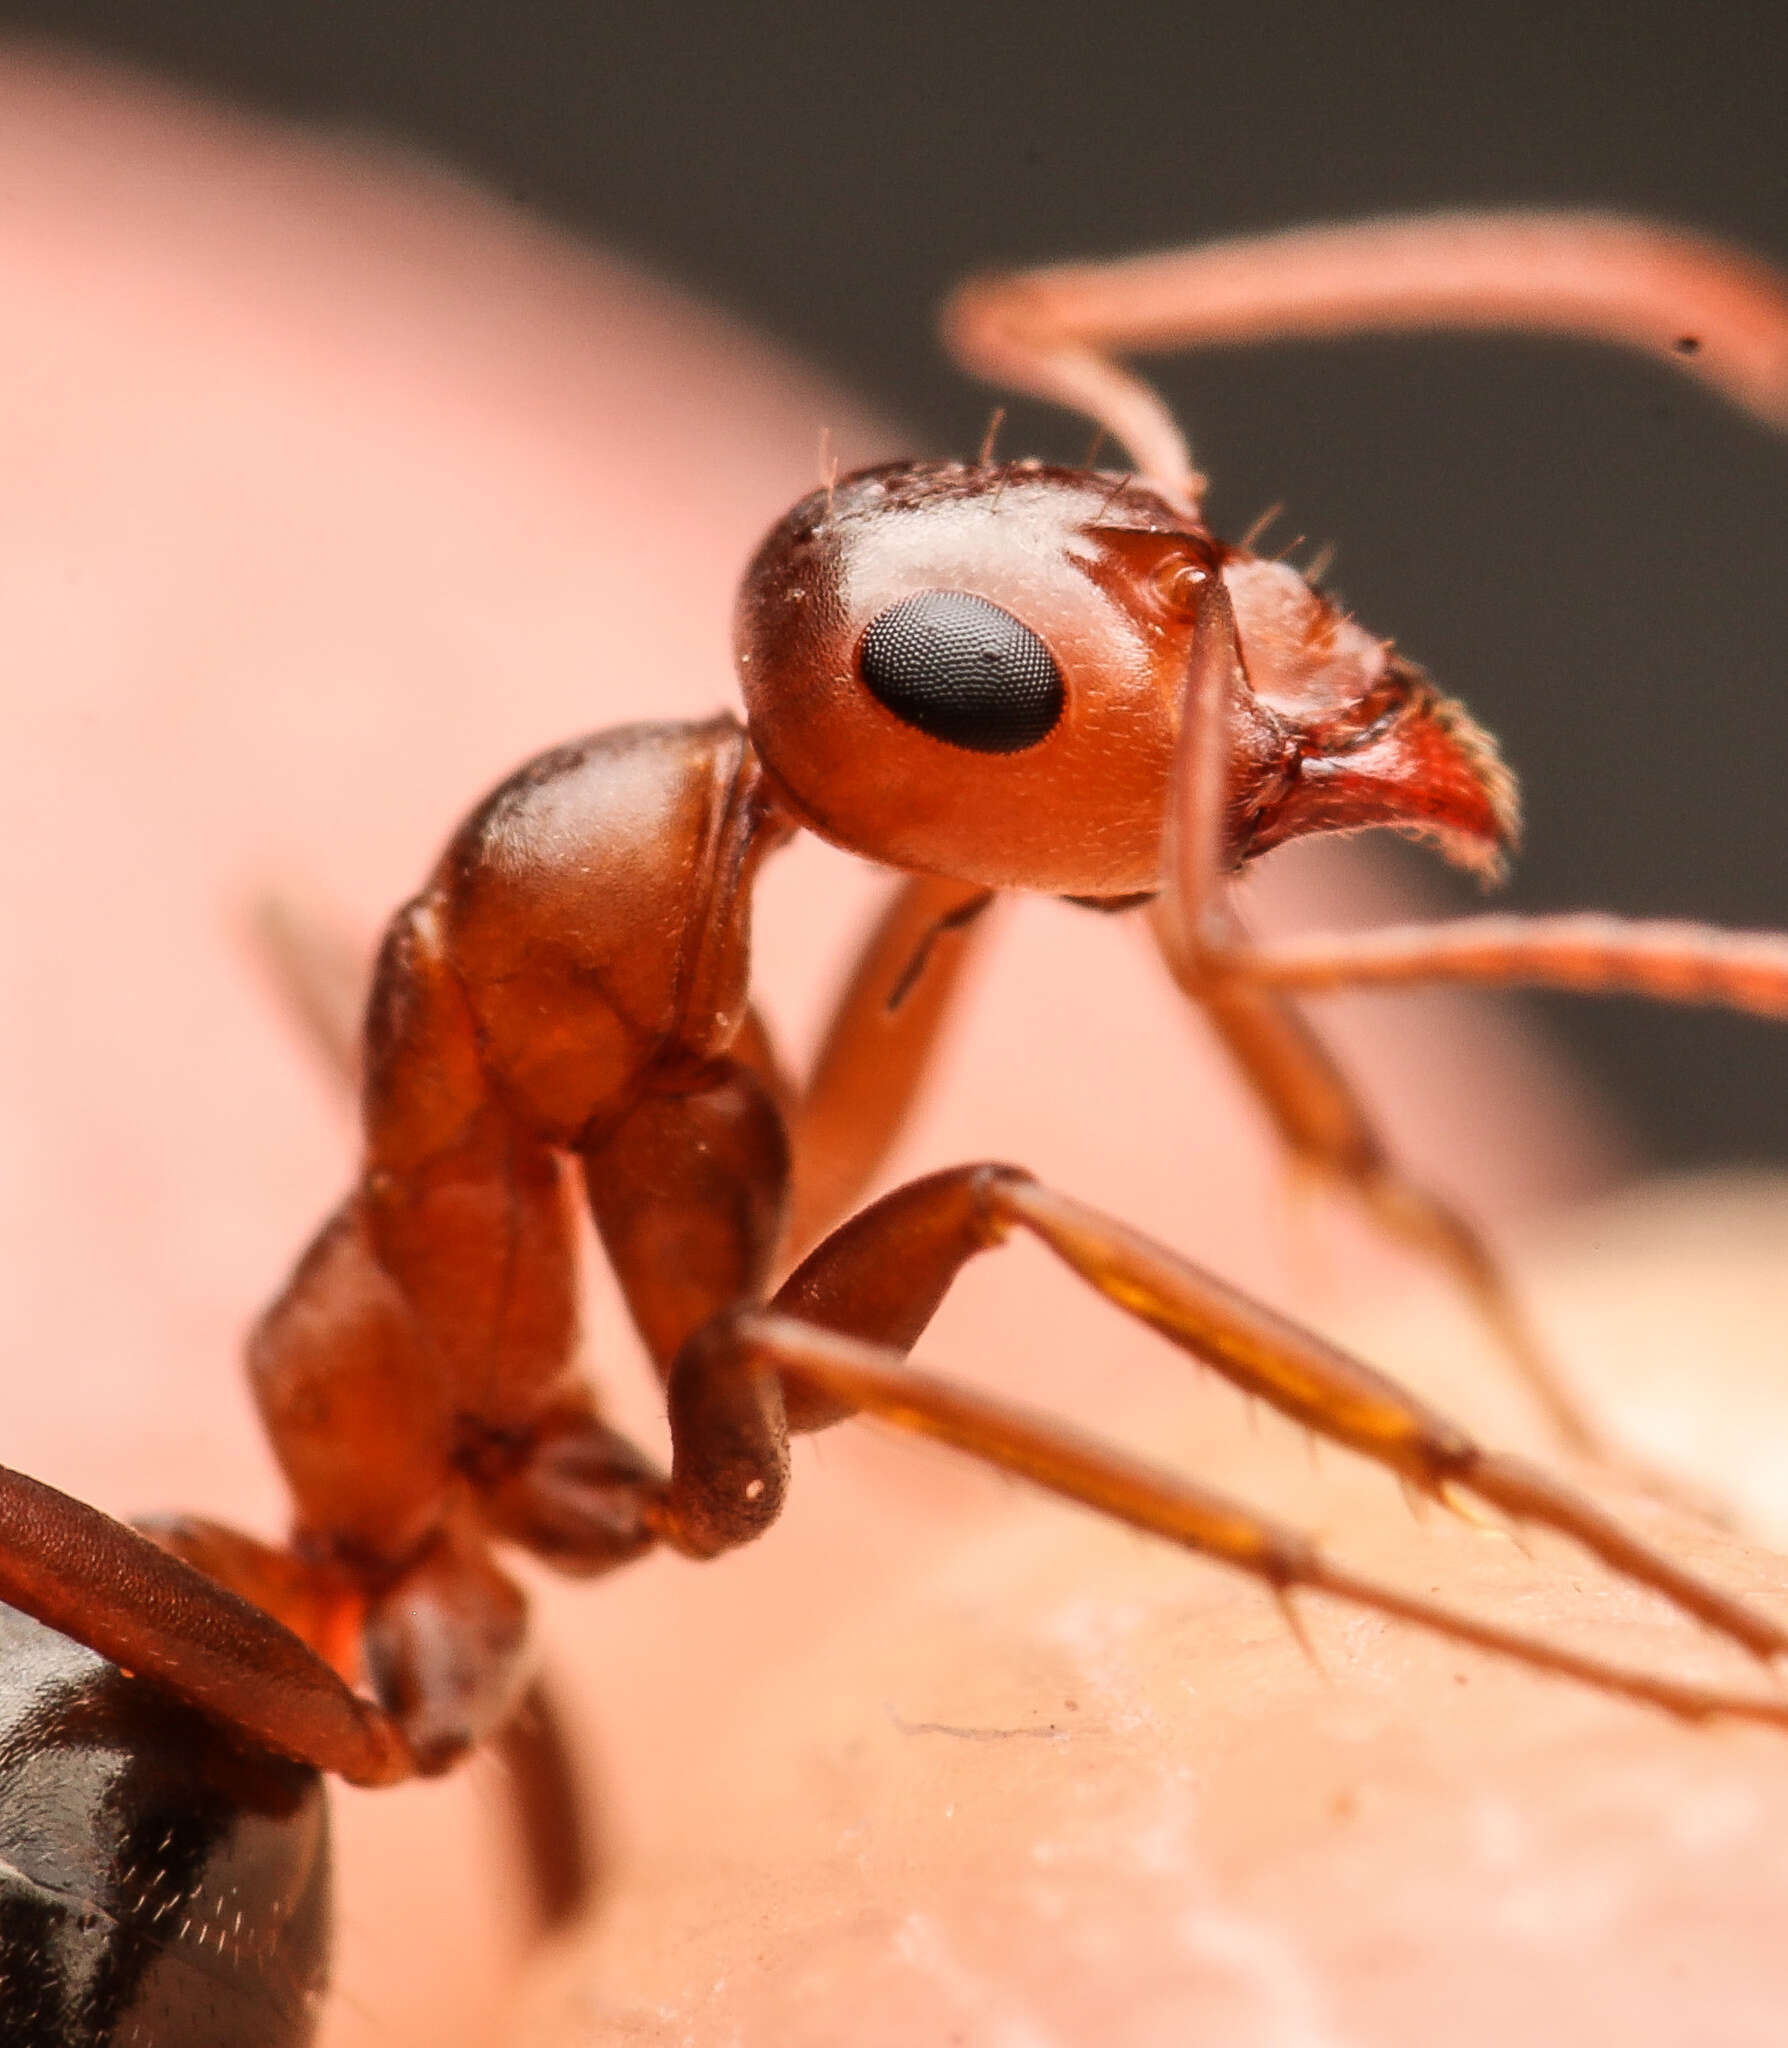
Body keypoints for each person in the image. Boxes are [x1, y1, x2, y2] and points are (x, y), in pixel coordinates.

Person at [5, 46, 1787, 2048]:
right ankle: (1577, 1588)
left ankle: (1507, 1423)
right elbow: (776, 1359)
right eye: (1002, 674)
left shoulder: (689, 952)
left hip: (295, 1677)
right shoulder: (596, 1025)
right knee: (906, 1268)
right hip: (116, 1813)